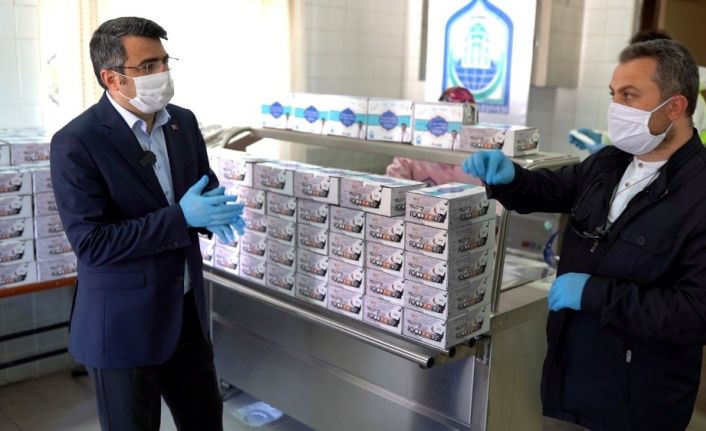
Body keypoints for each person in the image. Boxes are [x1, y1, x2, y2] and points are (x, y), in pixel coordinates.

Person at [464, 39, 706, 430]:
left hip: (638, 403)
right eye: (613, 95)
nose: (616, 108)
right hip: (570, 383)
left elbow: (696, 313)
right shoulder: (608, 163)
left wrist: (594, 293)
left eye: (629, 95)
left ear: (675, 107)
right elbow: (551, 189)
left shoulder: (699, 192)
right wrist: (510, 178)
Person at [50, 17, 244, 431]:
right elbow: (93, 244)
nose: (162, 73)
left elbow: (200, 184)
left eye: (165, 61)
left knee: (206, 422)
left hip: (186, 313)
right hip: (123, 326)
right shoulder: (78, 141)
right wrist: (181, 217)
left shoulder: (182, 122)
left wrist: (215, 211)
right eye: (148, 66)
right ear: (112, 78)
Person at [570, 29, 706, 153]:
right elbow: (645, 134)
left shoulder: (684, 102)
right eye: (613, 94)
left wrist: (610, 154)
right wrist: (604, 138)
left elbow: (670, 147)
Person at [386, 86, 481, 186]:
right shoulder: (414, 153)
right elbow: (392, 184)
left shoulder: (479, 157)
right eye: (452, 118)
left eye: (464, 120)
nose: (456, 127)